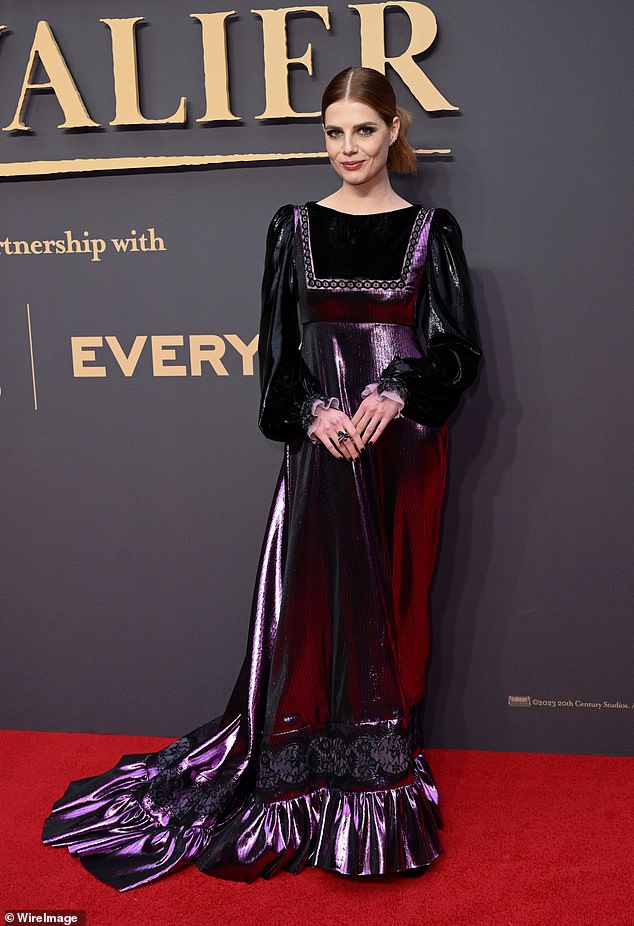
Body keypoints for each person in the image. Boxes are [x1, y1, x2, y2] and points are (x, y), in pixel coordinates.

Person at [40, 66, 482, 890]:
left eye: (363, 130)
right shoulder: (294, 226)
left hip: (405, 442)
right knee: (314, 605)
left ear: (392, 132)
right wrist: (313, 413)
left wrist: (396, 389)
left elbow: (459, 351)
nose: (347, 148)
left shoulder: (432, 228)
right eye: (333, 133)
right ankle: (303, 774)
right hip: (326, 439)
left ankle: (381, 777)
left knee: (392, 600)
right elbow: (277, 355)